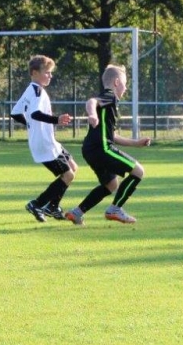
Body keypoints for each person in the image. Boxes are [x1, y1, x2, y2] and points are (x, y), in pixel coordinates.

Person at [65, 64, 152, 226]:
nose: (126, 88)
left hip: (90, 150)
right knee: (138, 171)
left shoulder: (109, 104)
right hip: (101, 148)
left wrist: (136, 143)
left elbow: (111, 136)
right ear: (117, 82)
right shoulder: (110, 96)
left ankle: (77, 213)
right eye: (125, 84)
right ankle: (115, 209)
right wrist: (92, 114)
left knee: (111, 184)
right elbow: (91, 101)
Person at [10, 55, 77, 223]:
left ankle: (53, 206)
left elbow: (15, 113)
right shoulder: (37, 91)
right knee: (68, 175)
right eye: (47, 72)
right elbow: (35, 114)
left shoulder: (31, 89)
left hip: (49, 141)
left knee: (72, 167)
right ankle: (37, 204)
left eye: (50, 72)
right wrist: (56, 120)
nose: (50, 76)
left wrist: (30, 125)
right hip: (44, 143)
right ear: (34, 73)